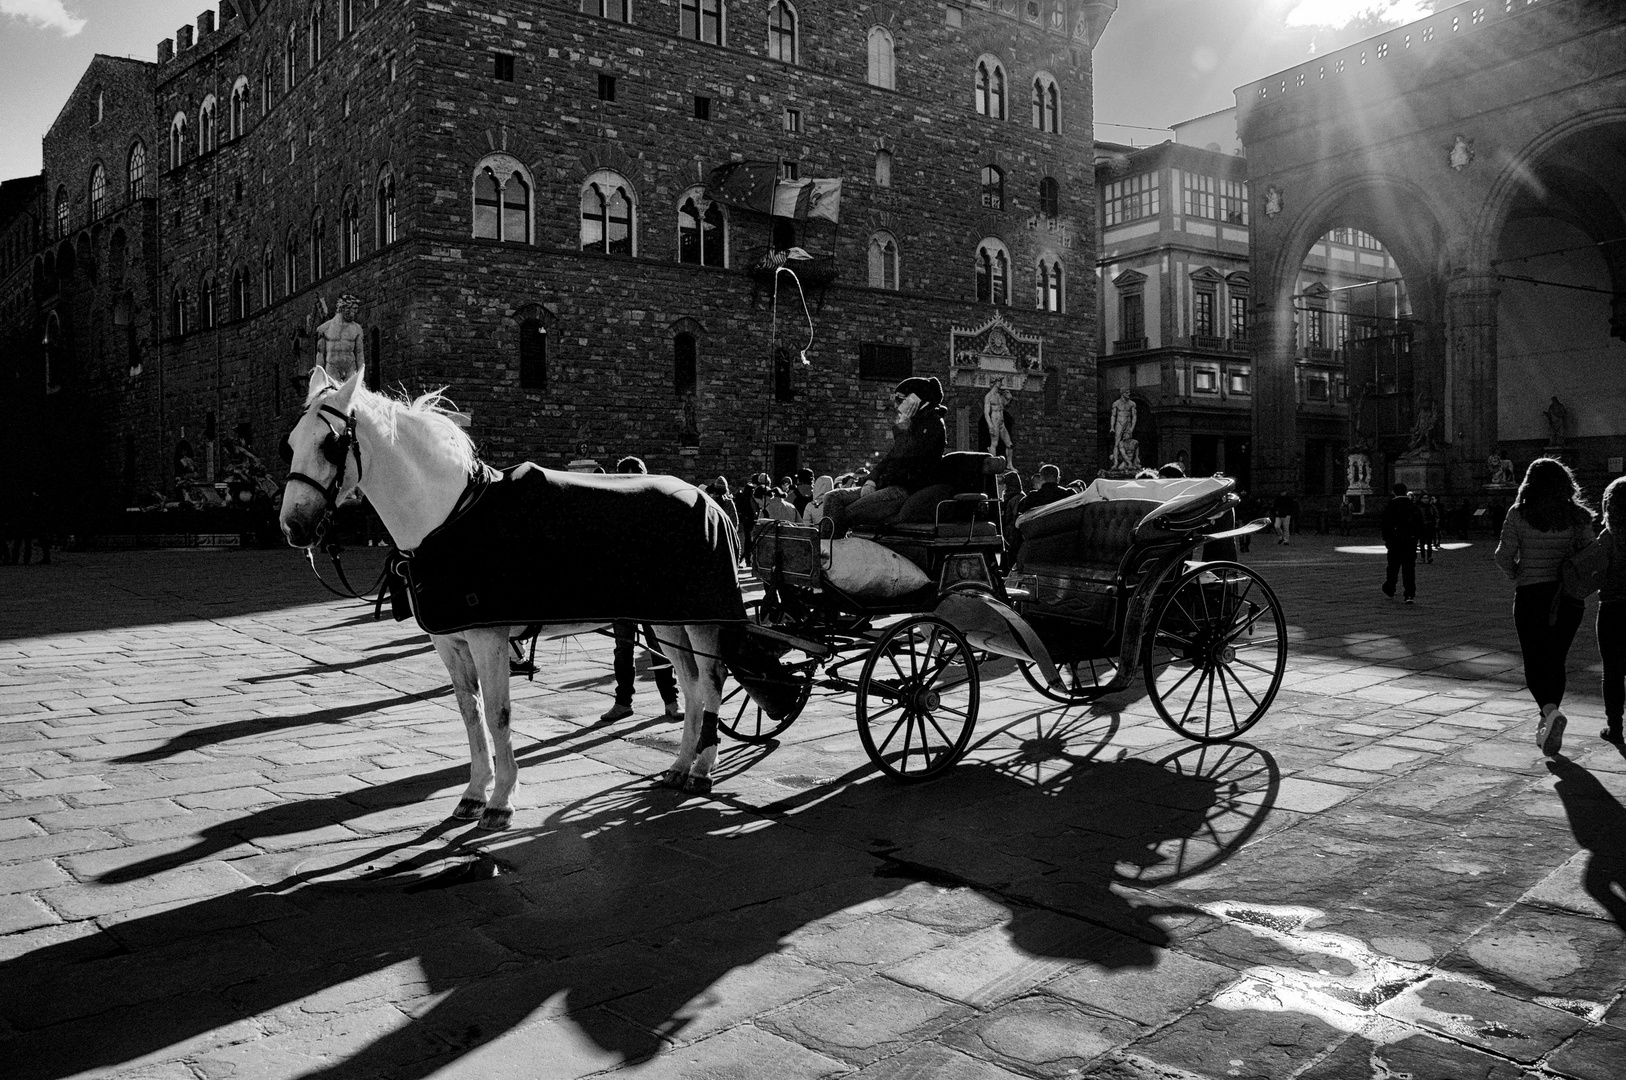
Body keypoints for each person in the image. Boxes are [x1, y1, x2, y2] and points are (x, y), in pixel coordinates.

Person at [1494, 457, 1596, 757]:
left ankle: (1550, 713)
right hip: (1568, 597)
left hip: (1532, 596)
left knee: (1534, 660)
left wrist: (1518, 574)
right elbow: (1590, 554)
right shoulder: (1578, 516)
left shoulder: (1519, 513)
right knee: (1556, 660)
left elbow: (1503, 556)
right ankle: (1547, 722)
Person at [601, 456, 680, 723]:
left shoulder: (656, 508)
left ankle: (671, 701)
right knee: (623, 649)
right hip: (623, 592)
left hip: (651, 591)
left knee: (659, 647)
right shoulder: (612, 511)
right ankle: (623, 702)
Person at [823, 377, 947, 536]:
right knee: (832, 497)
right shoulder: (914, 424)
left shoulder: (933, 424)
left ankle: (833, 553)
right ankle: (826, 552)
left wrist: (903, 425)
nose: (896, 405)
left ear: (915, 400)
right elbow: (891, 457)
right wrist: (871, 480)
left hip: (905, 490)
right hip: (889, 485)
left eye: (900, 400)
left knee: (847, 512)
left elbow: (906, 456)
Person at [1594, 477, 1626, 745]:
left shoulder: (1607, 537)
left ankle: (1615, 727)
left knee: (1613, 671)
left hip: (1613, 608)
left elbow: (1594, 572)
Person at [1381, 482, 1420, 604]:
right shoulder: (1412, 505)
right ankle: (1409, 594)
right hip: (1410, 541)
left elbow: (1385, 525)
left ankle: (1390, 587)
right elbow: (1419, 523)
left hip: (1395, 542)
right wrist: (1415, 539)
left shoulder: (1390, 506)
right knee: (1409, 569)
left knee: (1393, 566)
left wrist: (1387, 539)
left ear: (1394, 492)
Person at [314, 294, 367, 381]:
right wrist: (318, 376)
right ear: (345, 308)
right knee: (333, 393)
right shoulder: (324, 328)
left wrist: (361, 377)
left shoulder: (357, 329)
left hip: (350, 368)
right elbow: (320, 355)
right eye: (354, 309)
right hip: (332, 368)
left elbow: (359, 354)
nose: (356, 312)